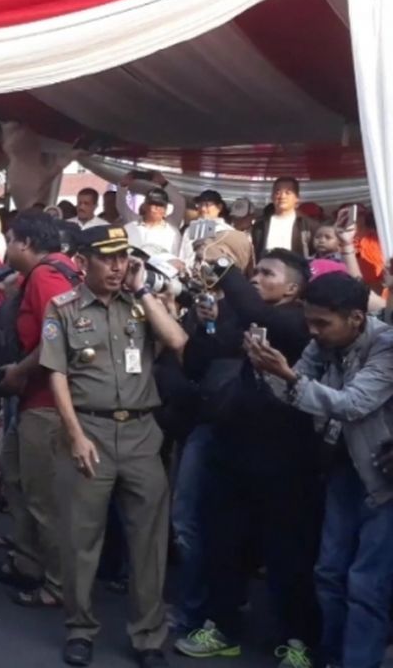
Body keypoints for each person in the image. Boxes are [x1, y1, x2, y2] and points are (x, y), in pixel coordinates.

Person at [39, 225, 188, 668]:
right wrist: (75, 434)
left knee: (149, 540)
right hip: (90, 429)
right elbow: (57, 373)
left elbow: (178, 341)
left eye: (124, 257)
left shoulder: (142, 306)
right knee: (81, 537)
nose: (118, 265)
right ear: (84, 262)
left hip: (142, 433)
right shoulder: (62, 307)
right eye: (108, 258)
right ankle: (80, 628)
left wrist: (144, 291)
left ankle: (148, 635)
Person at [174, 249, 321, 668]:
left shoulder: (299, 320)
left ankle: (298, 641)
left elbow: (271, 320)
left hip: (286, 458)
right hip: (232, 447)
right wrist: (207, 322)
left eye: (266, 274)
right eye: (253, 273)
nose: (255, 279)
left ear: (292, 288)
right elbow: (200, 360)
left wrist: (227, 273)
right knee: (224, 542)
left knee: (287, 553)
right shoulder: (244, 314)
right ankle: (221, 627)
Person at [245, 272, 393, 668]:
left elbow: (352, 404)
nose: (313, 332)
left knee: (366, 584)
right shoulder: (322, 342)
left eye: (323, 323)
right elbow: (295, 393)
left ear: (356, 319)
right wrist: (266, 368)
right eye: (310, 322)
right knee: (329, 572)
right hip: (343, 468)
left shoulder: (386, 346)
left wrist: (288, 376)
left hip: (383, 478)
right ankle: (332, 656)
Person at [0, 210, 81, 608]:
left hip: (46, 401)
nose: (7, 248)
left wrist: (19, 370)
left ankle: (57, 583)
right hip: (37, 398)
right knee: (15, 475)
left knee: (44, 497)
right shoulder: (55, 271)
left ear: (25, 243)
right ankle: (28, 560)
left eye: (9, 240)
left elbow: (57, 337)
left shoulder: (47, 277)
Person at [251, 177, 315, 259]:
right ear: (272, 196)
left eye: (288, 193)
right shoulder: (260, 224)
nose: (282, 196)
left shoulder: (308, 225)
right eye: (278, 192)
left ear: (297, 198)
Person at [124, 188, 183, 256]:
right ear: (145, 206)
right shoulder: (129, 228)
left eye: (161, 205)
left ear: (166, 209)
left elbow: (174, 259)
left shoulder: (173, 233)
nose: (157, 208)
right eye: (154, 204)